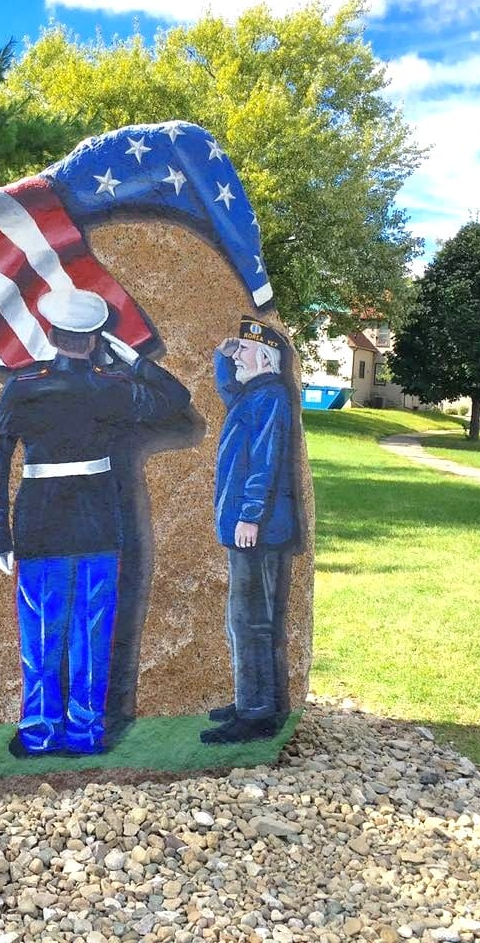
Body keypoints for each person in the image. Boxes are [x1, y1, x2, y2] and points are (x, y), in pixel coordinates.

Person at [0, 288, 191, 756]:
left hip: (39, 520)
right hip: (96, 521)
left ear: (51, 334)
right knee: (92, 633)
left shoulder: (25, 385)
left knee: (40, 634)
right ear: (96, 340)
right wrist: (133, 359)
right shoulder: (111, 387)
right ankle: (87, 731)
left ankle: (37, 731)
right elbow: (176, 397)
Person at [201, 319, 296, 744]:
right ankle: (251, 701)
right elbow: (227, 389)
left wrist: (251, 515)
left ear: (266, 358)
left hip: (259, 528)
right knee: (243, 618)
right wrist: (225, 354)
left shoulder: (271, 396)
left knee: (252, 620)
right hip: (248, 525)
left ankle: (257, 713)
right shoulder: (252, 394)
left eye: (243, 351)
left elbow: (266, 458)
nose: (238, 356)